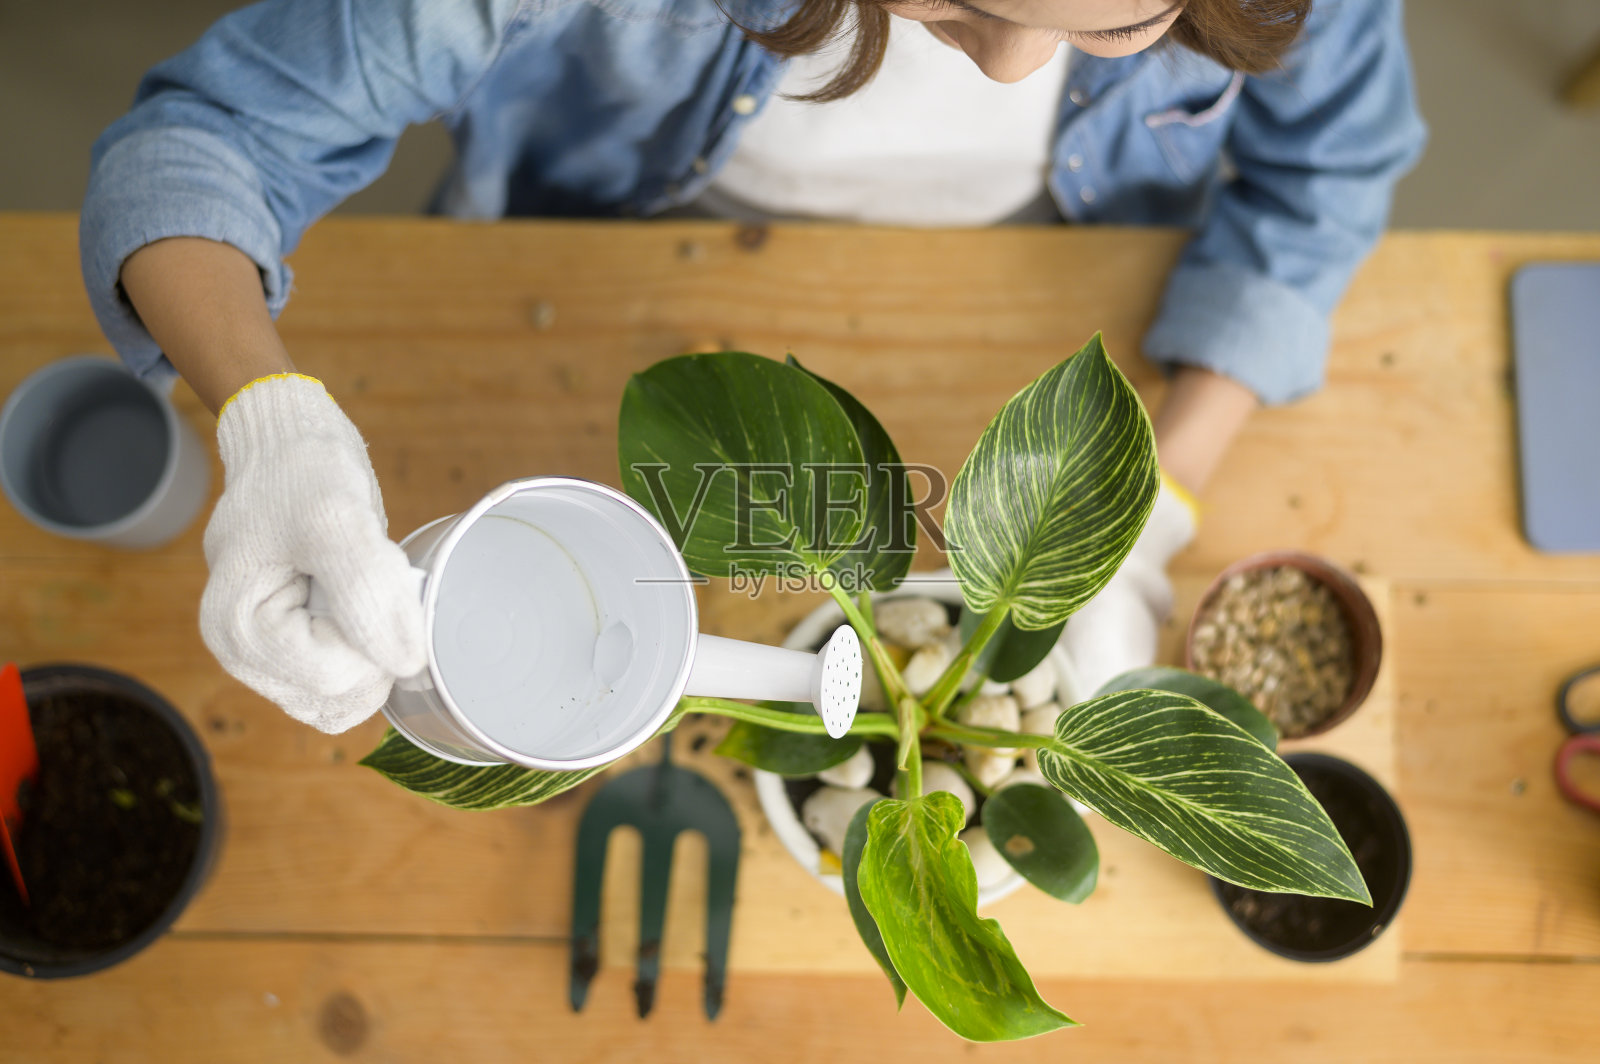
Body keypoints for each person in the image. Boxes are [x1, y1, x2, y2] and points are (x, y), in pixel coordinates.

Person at [80, 0, 1425, 733]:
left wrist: (1159, 501)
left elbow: (1330, 176)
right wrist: (269, 422)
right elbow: (212, 137)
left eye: (1123, 26)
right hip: (614, 250)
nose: (1016, 70)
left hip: (1045, 279)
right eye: (961, 1)